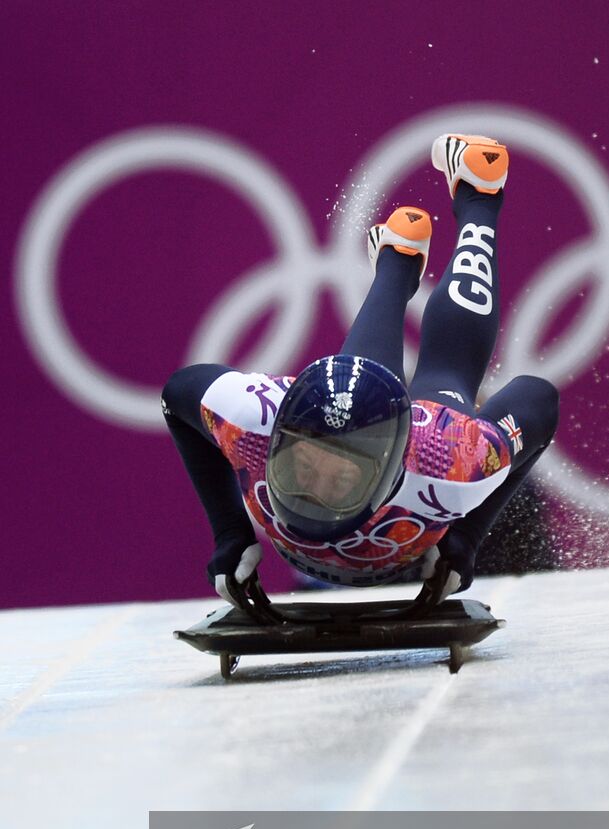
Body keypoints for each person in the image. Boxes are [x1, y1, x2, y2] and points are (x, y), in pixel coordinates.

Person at [162, 133, 559, 605]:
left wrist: (466, 537)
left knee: (449, 373)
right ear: (279, 439)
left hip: (419, 438)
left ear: (391, 469)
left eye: (340, 481)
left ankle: (477, 201)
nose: (315, 495)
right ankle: (399, 259)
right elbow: (176, 395)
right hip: (369, 452)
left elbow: (538, 399)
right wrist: (230, 533)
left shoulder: (448, 459)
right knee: (362, 377)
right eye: (303, 468)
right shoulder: (253, 418)